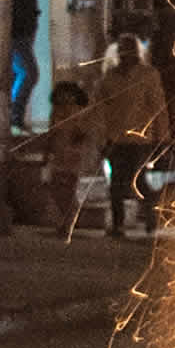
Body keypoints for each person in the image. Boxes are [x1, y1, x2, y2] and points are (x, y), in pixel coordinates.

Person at [96, 35, 171, 237]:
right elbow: (101, 109)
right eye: (122, 49)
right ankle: (118, 224)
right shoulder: (110, 78)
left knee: (140, 182)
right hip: (116, 139)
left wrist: (162, 138)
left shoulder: (148, 75)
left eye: (129, 49)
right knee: (117, 184)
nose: (125, 53)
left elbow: (158, 107)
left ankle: (150, 218)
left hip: (141, 140)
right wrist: (101, 138)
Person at [44, 81, 101, 239]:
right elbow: (51, 133)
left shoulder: (80, 112)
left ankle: (67, 224)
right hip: (58, 154)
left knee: (68, 190)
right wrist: (46, 152)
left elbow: (85, 133)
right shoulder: (55, 112)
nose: (65, 98)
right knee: (56, 189)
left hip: (74, 156)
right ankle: (65, 220)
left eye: (68, 95)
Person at [8, 0, 41, 131]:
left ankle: (15, 114)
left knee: (24, 73)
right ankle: (15, 113)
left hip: (24, 28)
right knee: (28, 73)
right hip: (18, 30)